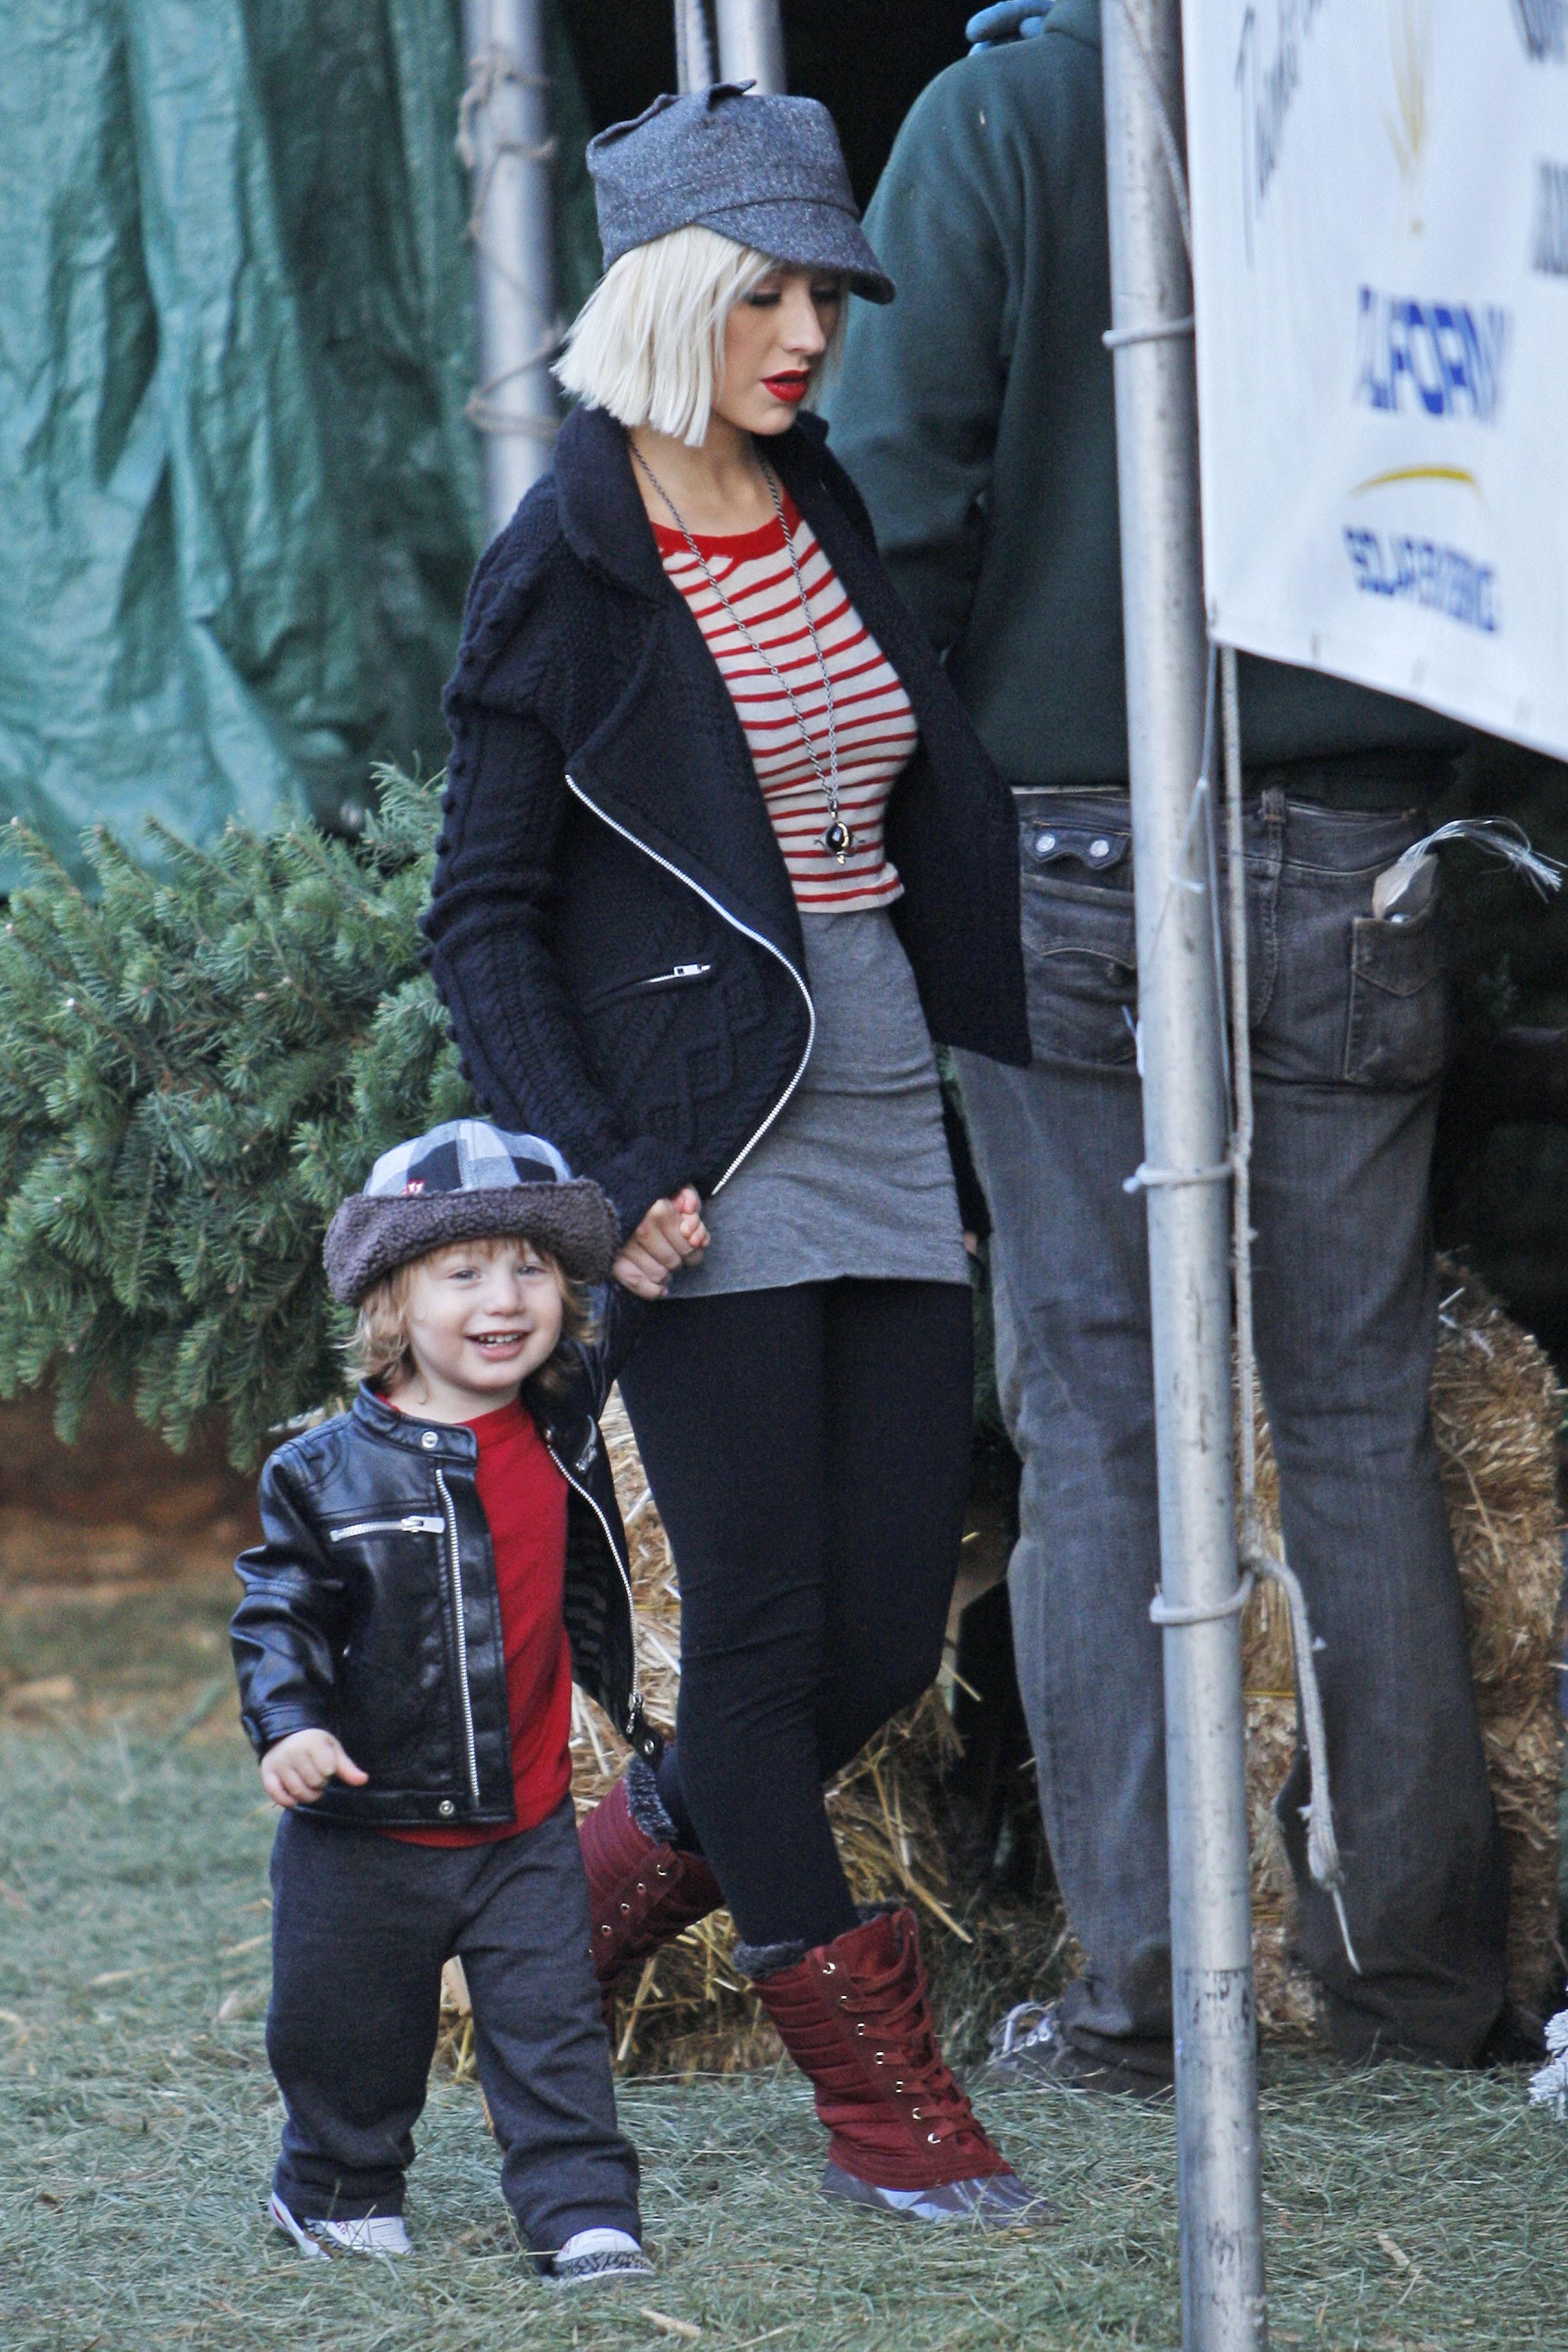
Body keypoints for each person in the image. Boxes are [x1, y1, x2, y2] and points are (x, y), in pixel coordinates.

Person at [822, 0, 1511, 2089]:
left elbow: (890, 499)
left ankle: (1140, 1998)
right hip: (1362, 832)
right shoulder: (1414, 101)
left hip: (1062, 832)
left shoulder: (1010, 109)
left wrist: (910, 803)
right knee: (1359, 1414)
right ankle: (1420, 1987)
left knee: (1102, 1418)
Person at [421, 84, 1045, 2224]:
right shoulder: (568, 560)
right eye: (768, 293)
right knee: (769, 1647)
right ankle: (889, 2111)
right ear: (675, 292)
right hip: (701, 1144)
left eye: (827, 296)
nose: (810, 332)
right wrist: (596, 1174)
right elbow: (480, 914)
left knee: (874, 1637)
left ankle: (585, 1892)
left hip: (881, 1102)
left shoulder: (812, 491)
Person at [230, 1119, 653, 2283]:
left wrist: (653, 1243)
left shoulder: (564, 1427)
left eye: (532, 1268)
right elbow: (279, 1611)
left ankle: (580, 2206)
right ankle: (337, 2187)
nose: (504, 1298)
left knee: (552, 2025)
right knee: (346, 2031)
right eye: (462, 1273)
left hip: (525, 1822)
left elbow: (640, 1313)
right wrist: (291, 1724)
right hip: (365, 1824)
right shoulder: (322, 1473)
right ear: (392, 1306)